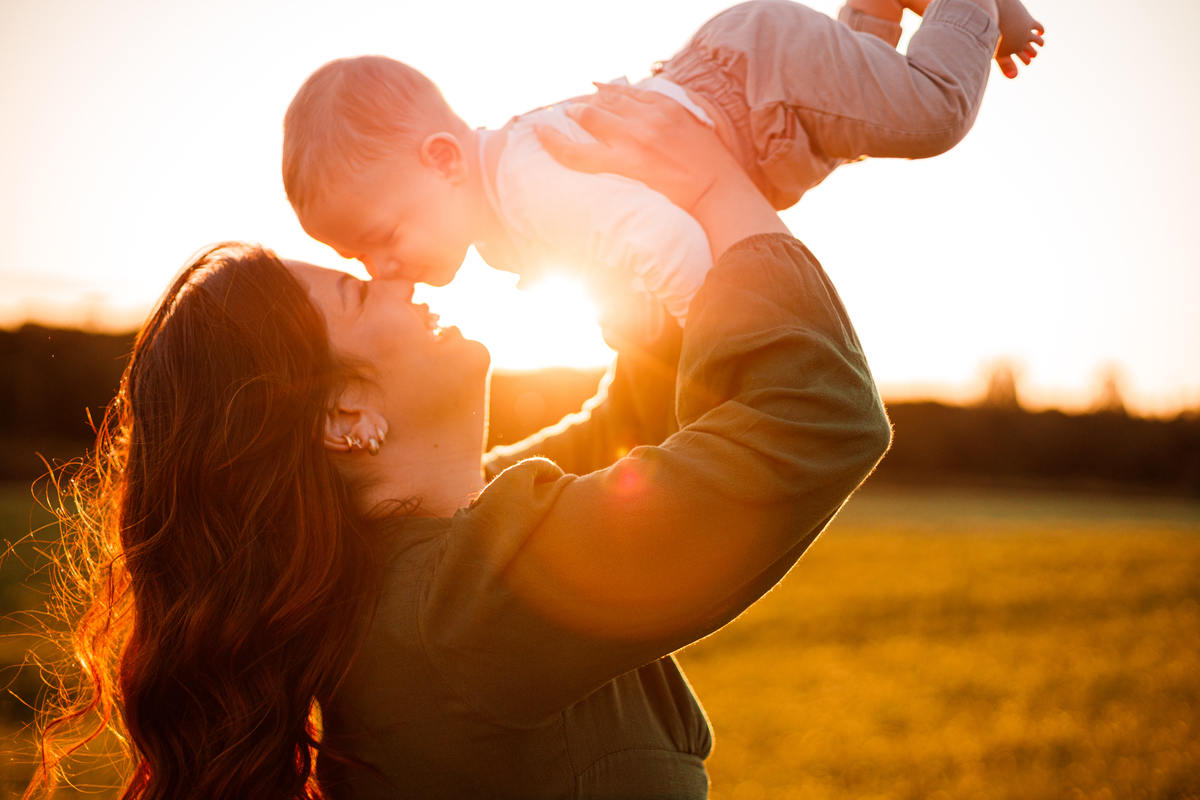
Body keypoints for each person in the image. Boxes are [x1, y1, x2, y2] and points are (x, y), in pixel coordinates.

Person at [29, 85, 890, 798]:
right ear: (342, 418)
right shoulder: (456, 608)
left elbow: (628, 436)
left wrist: (624, 235)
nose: (395, 276)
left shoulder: (414, 576)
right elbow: (817, 414)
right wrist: (714, 194)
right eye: (360, 293)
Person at [282, 0, 1043, 341]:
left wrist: (714, 345)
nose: (382, 269)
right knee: (847, 132)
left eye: (380, 236)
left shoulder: (526, 183)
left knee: (933, 111)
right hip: (761, 99)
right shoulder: (506, 205)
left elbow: (667, 244)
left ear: (443, 160)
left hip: (759, 78)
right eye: (356, 259)